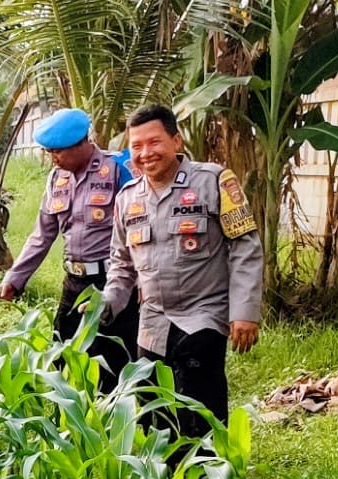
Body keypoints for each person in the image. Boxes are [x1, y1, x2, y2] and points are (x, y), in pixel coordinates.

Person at [102, 103, 263, 454]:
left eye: (154, 142)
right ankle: (164, 476)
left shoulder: (214, 182)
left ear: (176, 142)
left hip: (202, 315)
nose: (145, 153)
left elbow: (245, 247)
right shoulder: (127, 198)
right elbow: (121, 264)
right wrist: (107, 303)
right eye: (137, 146)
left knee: (199, 407)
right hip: (153, 320)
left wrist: (245, 312)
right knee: (153, 410)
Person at [0, 108, 139, 394]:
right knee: (62, 356)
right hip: (73, 283)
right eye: (49, 152)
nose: (53, 158)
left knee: (112, 363)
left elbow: (139, 230)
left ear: (81, 144)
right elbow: (42, 235)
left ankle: (113, 416)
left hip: (112, 282)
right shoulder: (56, 179)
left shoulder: (118, 170)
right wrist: (14, 278)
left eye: (58, 151)